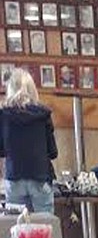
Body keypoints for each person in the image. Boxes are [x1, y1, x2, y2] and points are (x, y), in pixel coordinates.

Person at [0, 69, 57, 215]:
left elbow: (1, 150)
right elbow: (53, 152)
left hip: (14, 176)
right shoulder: (43, 114)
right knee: (45, 225)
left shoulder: (4, 115)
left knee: (16, 228)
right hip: (40, 176)